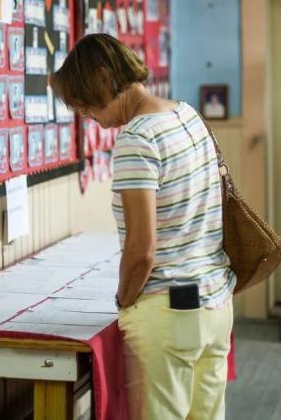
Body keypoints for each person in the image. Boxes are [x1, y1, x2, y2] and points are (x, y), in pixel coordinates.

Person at [50, 34, 235, 419]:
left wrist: (125, 300)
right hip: (216, 302)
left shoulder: (138, 137)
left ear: (100, 86)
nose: (94, 122)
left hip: (169, 312)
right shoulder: (187, 115)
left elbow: (141, 249)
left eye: (87, 110)